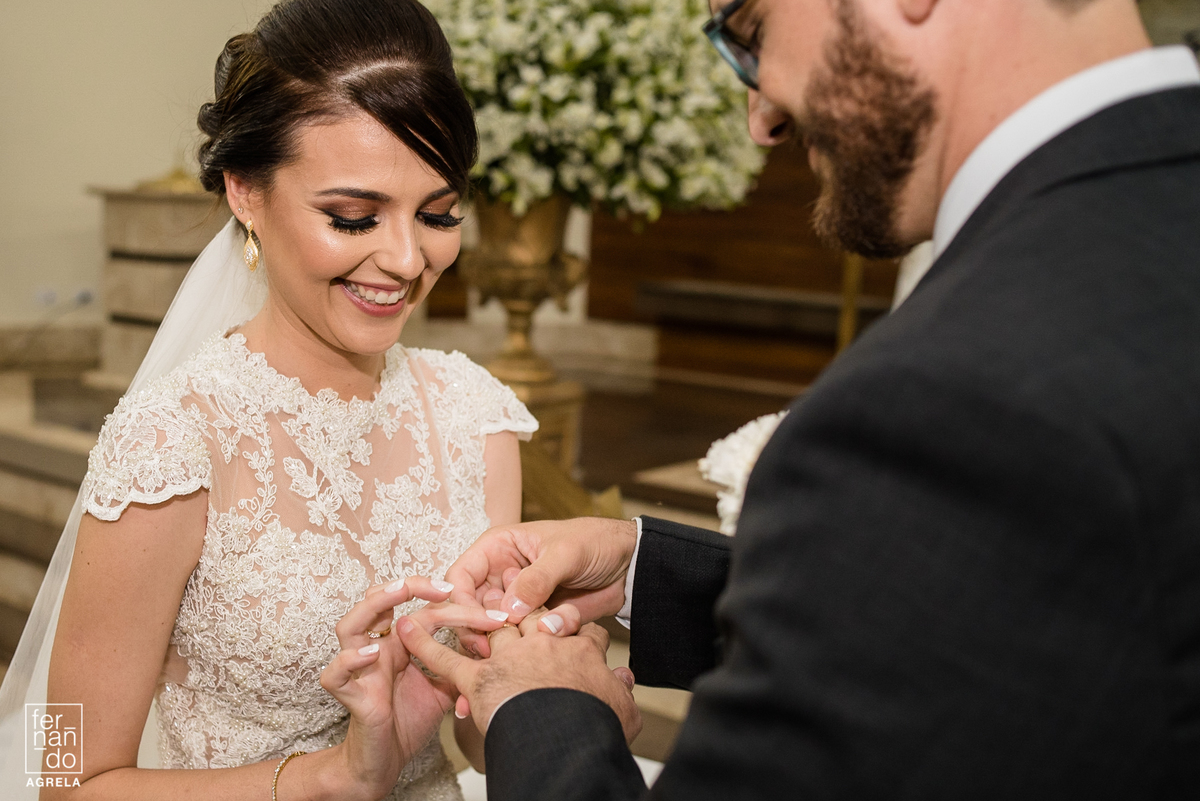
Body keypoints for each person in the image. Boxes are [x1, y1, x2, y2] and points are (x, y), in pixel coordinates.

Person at [398, 0, 1200, 797]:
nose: (761, 117)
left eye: (749, 30)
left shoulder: (948, 396)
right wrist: (649, 572)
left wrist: (540, 707)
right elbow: (1024, 609)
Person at [0, 1, 538, 798]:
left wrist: (535, 689)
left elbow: (480, 731)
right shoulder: (168, 443)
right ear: (245, 192)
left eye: (437, 213)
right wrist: (332, 777)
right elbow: (59, 770)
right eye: (353, 217)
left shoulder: (476, 416)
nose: (405, 259)